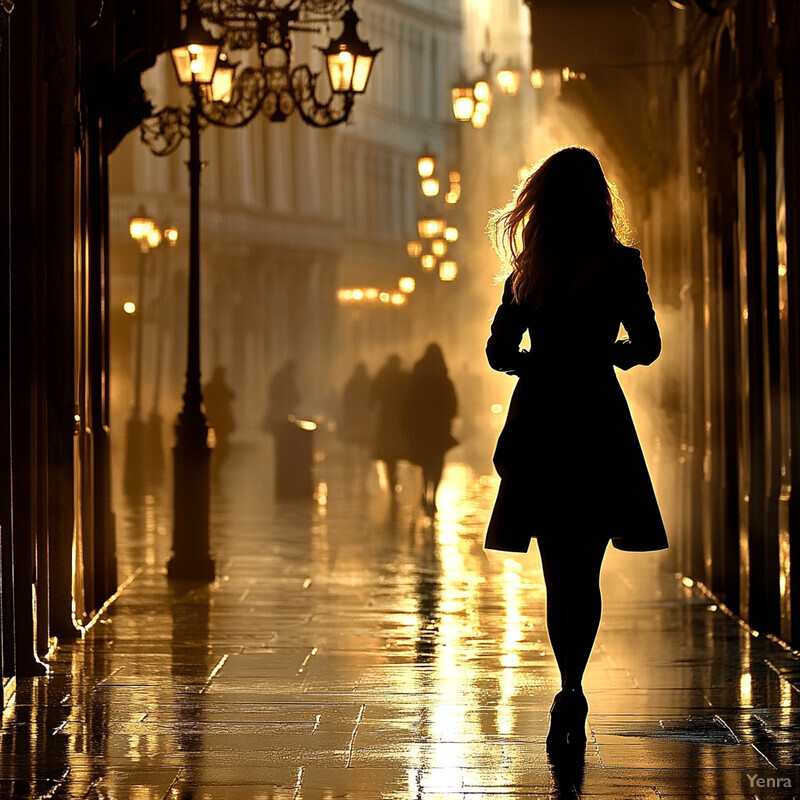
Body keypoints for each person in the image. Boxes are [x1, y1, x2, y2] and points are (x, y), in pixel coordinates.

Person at [484, 146, 668, 756]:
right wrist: (614, 355)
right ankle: (571, 687)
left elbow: (498, 350)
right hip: (595, 421)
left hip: (541, 423)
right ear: (599, 201)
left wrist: (530, 363)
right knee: (585, 567)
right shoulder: (619, 264)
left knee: (556, 568)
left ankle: (567, 690)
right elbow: (648, 341)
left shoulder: (529, 270)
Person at [403, 343, 458, 516]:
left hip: (421, 427)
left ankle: (425, 490)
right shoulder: (444, 379)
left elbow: (408, 401)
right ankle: (432, 494)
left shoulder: (417, 378)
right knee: (437, 461)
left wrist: (406, 423)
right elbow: (452, 404)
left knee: (426, 461)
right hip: (439, 427)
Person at [370, 354, 409, 495]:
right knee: (395, 451)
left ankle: (392, 479)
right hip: (399, 419)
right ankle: (393, 478)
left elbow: (372, 396)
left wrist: (373, 408)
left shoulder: (383, 376)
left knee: (388, 452)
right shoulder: (403, 376)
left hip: (387, 420)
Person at [203, 365, 236, 473]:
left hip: (215, 420)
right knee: (223, 446)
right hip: (218, 421)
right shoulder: (217, 386)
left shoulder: (212, 386)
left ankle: (214, 468)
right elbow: (232, 395)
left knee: (221, 445)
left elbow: (232, 395)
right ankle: (214, 468)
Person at [265, 359, 300, 432]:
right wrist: (297, 398)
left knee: (276, 414)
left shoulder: (279, 375)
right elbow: (292, 389)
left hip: (279, 400)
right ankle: (279, 429)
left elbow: (272, 388)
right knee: (283, 415)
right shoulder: (286, 376)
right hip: (283, 401)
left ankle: (268, 427)